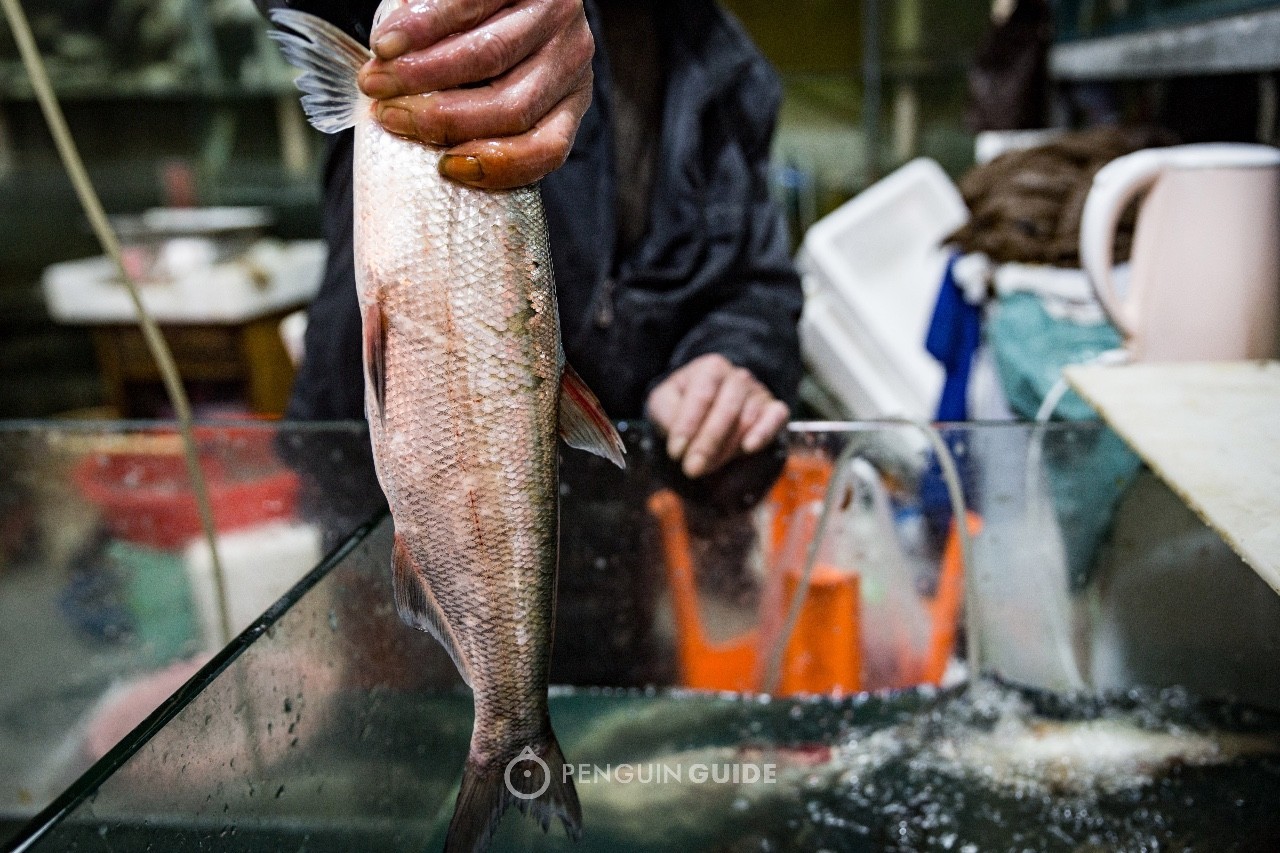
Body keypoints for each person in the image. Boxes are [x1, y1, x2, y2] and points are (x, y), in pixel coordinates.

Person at [261, 0, 803, 684]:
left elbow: (756, 284)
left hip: (608, 531)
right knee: (392, 754)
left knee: (590, 746)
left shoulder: (726, 67)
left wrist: (727, 360)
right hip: (384, 507)